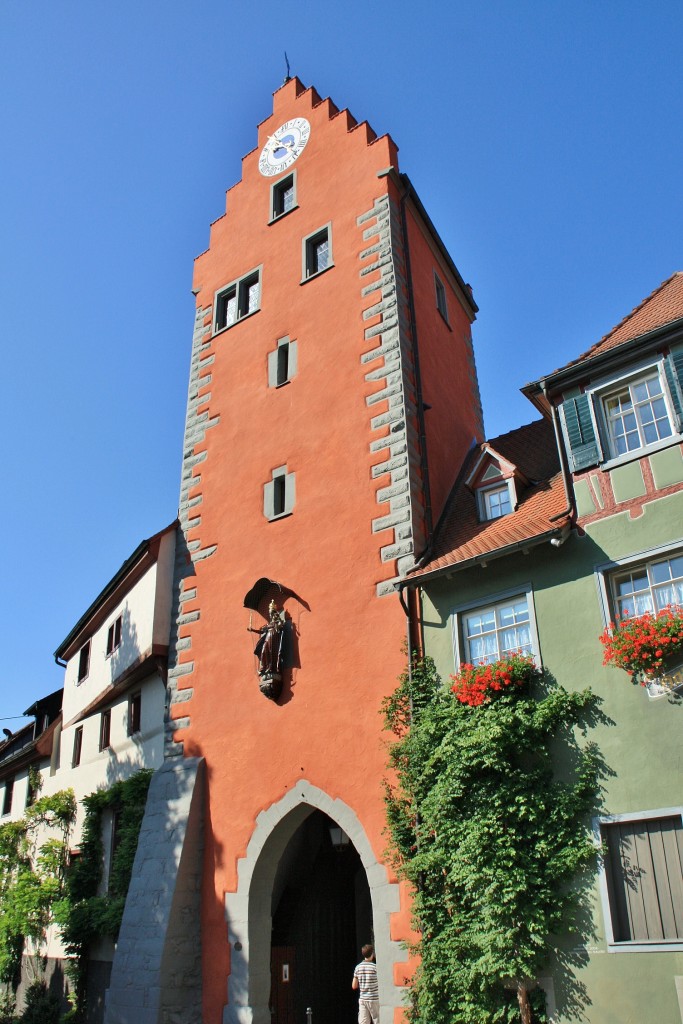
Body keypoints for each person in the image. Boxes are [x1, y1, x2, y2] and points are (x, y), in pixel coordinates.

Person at [352, 944, 379, 1024]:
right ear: (372, 953)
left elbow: (354, 986)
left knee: (363, 1022)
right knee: (377, 1020)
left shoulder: (358, 968)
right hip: (374, 999)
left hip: (363, 999)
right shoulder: (375, 968)